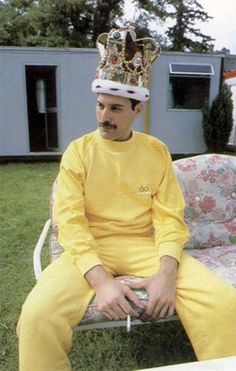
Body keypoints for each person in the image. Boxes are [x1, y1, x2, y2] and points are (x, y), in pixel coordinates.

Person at [17, 26, 236, 370]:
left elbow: (169, 218)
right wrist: (101, 282)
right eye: (101, 106)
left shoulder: (156, 151)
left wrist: (166, 273)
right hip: (88, 248)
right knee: (36, 316)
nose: (104, 116)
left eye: (116, 108)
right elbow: (69, 222)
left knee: (223, 301)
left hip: (141, 245)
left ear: (137, 110)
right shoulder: (78, 152)